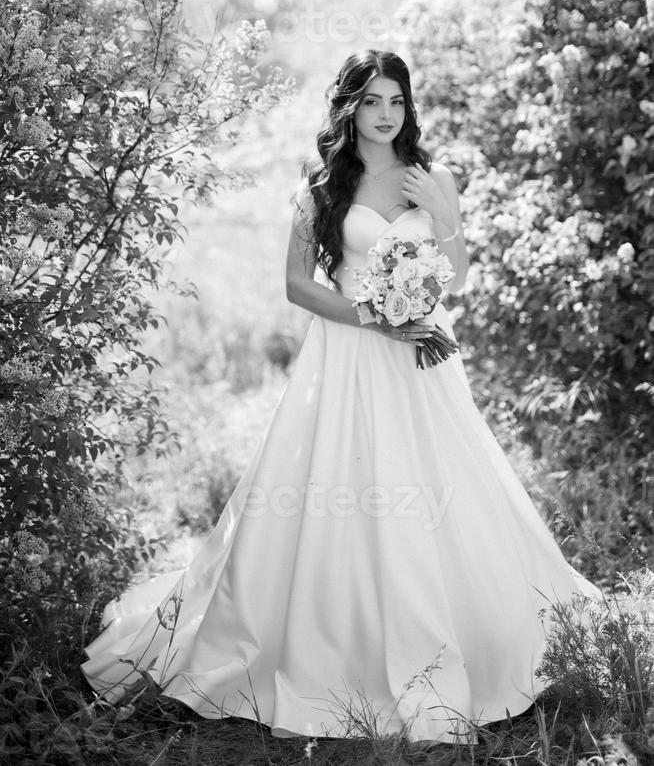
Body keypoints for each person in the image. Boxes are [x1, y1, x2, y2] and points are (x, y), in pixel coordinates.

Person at [81, 49, 603, 745]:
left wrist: (443, 217)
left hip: (423, 358)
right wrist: (371, 316)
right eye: (372, 101)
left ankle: (466, 646)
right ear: (349, 107)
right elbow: (297, 284)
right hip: (352, 352)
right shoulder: (324, 186)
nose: (387, 114)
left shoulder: (432, 176)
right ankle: (314, 649)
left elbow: (460, 275)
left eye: (397, 100)